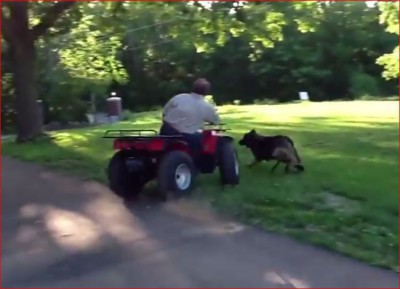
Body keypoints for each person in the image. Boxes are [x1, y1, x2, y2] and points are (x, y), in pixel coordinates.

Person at [160, 78, 220, 154]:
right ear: (206, 91)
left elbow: (165, 112)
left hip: (166, 132)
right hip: (186, 137)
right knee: (199, 140)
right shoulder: (207, 107)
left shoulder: (179, 97)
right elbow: (216, 121)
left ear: (193, 87)